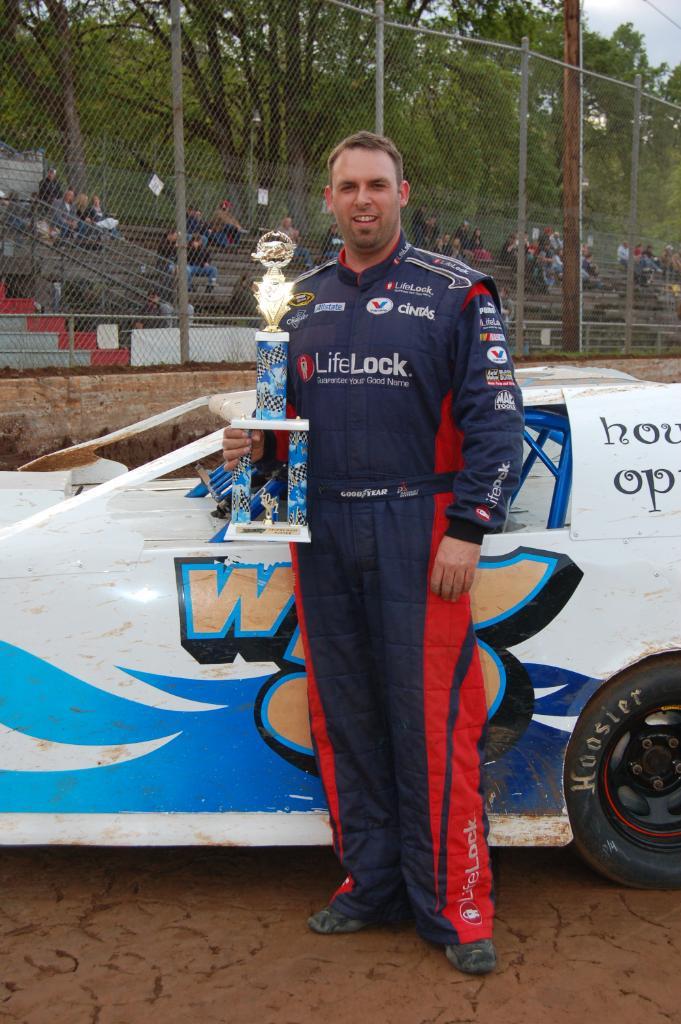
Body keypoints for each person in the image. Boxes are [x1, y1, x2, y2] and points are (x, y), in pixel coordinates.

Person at [222, 132, 523, 976]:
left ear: (402, 193)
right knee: (345, 718)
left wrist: (467, 527)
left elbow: (497, 422)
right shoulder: (298, 301)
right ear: (328, 199)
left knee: (433, 726)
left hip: (418, 528)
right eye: (348, 186)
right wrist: (255, 449)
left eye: (376, 186)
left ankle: (456, 907)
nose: (362, 199)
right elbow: (283, 430)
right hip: (320, 530)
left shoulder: (456, 292)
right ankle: (371, 884)